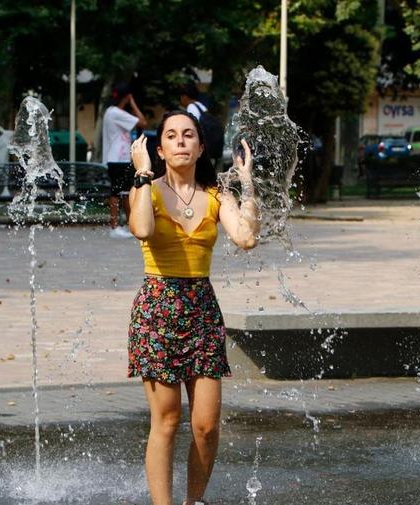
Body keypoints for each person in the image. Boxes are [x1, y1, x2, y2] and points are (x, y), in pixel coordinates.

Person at [127, 110, 259, 505]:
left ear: (201, 147)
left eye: (188, 135)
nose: (180, 141)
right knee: (166, 420)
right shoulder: (145, 190)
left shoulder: (217, 195)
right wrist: (142, 174)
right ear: (161, 148)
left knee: (206, 425)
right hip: (157, 310)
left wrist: (247, 185)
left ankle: (194, 501)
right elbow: (142, 230)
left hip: (202, 311)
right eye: (171, 135)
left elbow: (247, 238)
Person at [102, 83, 147, 238]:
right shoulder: (116, 113)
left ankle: (125, 225)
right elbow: (143, 122)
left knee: (122, 192)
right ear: (126, 97)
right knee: (121, 193)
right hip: (118, 159)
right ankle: (119, 226)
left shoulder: (110, 111)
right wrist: (133, 103)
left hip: (116, 158)